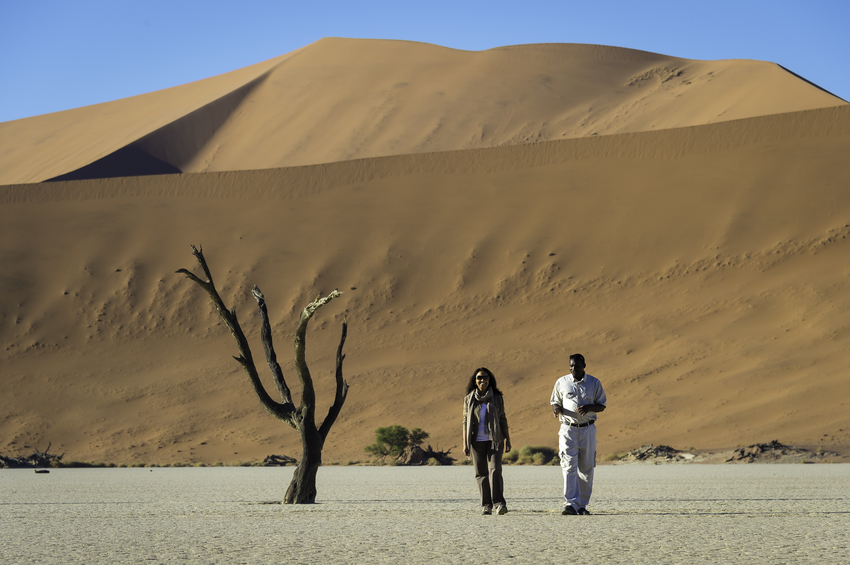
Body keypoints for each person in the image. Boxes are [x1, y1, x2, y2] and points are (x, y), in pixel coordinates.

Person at [550, 353, 607, 515]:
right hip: (568, 429)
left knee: (587, 467)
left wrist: (589, 407)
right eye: (571, 366)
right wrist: (557, 409)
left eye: (577, 365)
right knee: (568, 466)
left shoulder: (594, 383)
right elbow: (555, 401)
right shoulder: (562, 382)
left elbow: (602, 405)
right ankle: (570, 503)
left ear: (584, 366)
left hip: (588, 428)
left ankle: (582, 505)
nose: (573, 368)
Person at [462, 367, 512, 515]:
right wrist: (465, 443)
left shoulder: (497, 397)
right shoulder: (468, 399)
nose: (482, 380)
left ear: (490, 380)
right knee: (481, 473)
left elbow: (502, 418)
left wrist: (508, 438)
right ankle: (486, 505)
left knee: (495, 470)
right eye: (479, 378)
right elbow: (465, 421)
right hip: (476, 441)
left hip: (495, 439)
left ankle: (499, 503)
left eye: (485, 378)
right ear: (475, 381)